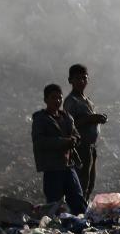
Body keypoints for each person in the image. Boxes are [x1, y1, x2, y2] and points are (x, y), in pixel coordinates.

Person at [32, 83, 86, 215]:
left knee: (78, 200)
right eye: (53, 98)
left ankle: (81, 226)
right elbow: (39, 142)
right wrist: (63, 142)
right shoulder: (41, 119)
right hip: (52, 168)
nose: (57, 101)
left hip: (68, 166)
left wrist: (74, 140)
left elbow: (76, 135)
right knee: (54, 205)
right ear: (45, 100)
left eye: (59, 98)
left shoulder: (66, 117)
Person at [64, 63, 107, 201]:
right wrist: (90, 119)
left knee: (89, 182)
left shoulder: (87, 100)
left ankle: (84, 209)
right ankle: (77, 211)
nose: (81, 82)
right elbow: (69, 125)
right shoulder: (71, 101)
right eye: (78, 79)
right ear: (70, 80)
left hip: (90, 147)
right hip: (80, 147)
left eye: (84, 78)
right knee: (81, 182)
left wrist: (98, 119)